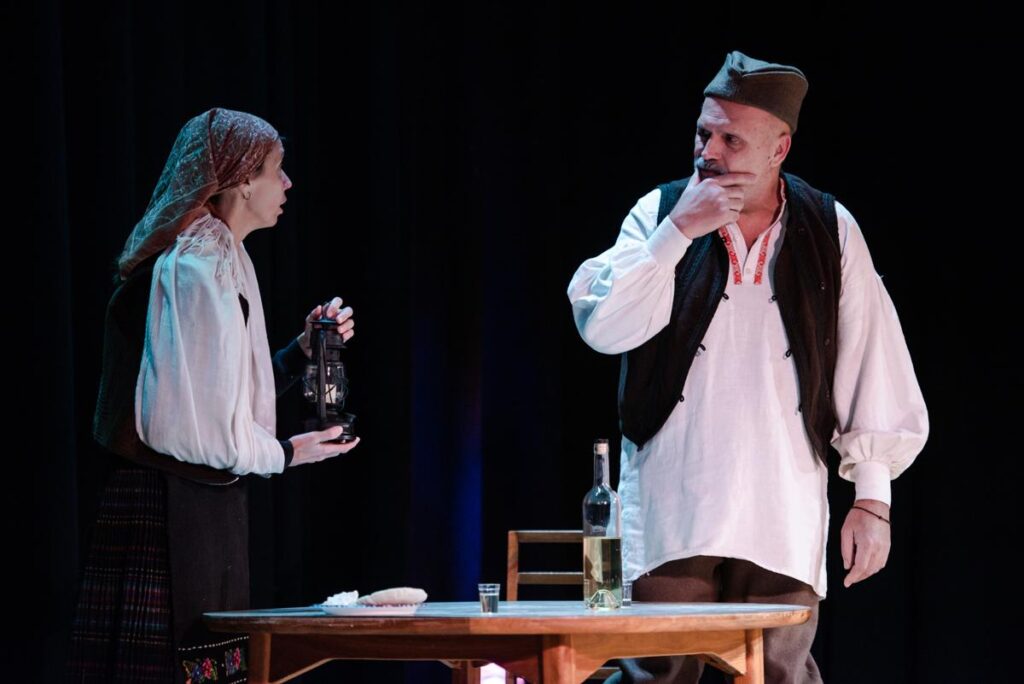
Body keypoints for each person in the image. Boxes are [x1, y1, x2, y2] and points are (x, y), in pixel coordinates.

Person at [567, 52, 928, 683]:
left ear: (778, 148)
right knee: (657, 673)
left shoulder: (829, 229)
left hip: (781, 510)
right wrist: (677, 232)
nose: (709, 151)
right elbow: (605, 327)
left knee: (780, 673)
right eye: (703, 133)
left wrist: (873, 499)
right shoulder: (659, 212)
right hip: (674, 506)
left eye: (731, 139)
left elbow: (872, 357)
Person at [68, 108, 359, 683]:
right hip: (167, 506)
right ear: (243, 179)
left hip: (201, 504)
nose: (287, 183)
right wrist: (287, 453)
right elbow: (192, 428)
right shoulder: (196, 267)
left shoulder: (224, 257)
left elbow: (217, 392)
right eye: (277, 169)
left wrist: (300, 352)